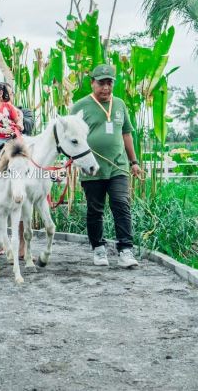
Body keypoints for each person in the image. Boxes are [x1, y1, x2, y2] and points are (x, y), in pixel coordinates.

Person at [70, 64, 142, 268]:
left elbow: (126, 133)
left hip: (118, 165)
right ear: (92, 83)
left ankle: (125, 250)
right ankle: (98, 248)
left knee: (121, 204)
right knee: (95, 209)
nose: (106, 88)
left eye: (109, 83)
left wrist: (134, 162)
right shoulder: (79, 107)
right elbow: (71, 137)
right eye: (101, 83)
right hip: (91, 167)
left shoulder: (119, 104)